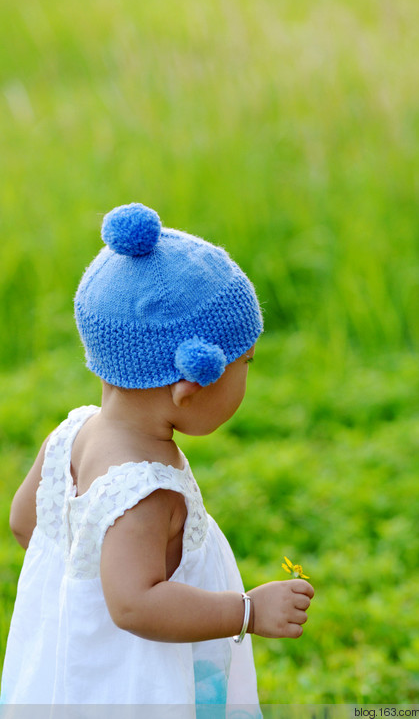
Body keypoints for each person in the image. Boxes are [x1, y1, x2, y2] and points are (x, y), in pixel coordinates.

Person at [1, 203, 314, 713]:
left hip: (71, 669)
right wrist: (248, 611)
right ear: (190, 385)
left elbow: (24, 525)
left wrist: (79, 584)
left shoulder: (73, 432)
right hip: (131, 688)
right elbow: (134, 603)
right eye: (246, 361)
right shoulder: (148, 492)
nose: (249, 375)